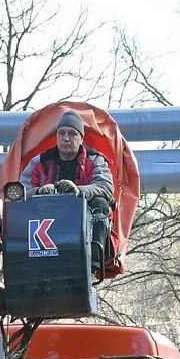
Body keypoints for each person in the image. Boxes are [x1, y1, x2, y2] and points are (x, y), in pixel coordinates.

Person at [26, 109, 115, 272]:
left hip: (82, 222)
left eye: (72, 134)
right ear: (57, 136)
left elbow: (106, 187)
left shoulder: (95, 160)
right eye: (61, 133)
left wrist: (78, 191)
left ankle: (93, 262)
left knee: (100, 203)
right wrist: (39, 192)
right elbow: (19, 193)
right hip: (46, 222)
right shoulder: (39, 162)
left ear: (81, 138)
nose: (66, 138)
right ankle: (32, 263)